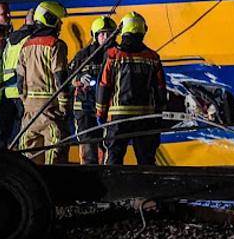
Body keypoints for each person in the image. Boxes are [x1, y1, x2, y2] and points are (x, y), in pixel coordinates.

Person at [98, 11, 167, 166]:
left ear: (123, 31)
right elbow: (160, 87)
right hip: (145, 117)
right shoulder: (152, 57)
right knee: (146, 160)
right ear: (143, 31)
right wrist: (159, 113)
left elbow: (104, 85)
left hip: (118, 117)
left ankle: (112, 188)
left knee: (113, 159)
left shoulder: (113, 55)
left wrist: (100, 113)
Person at [17, 1, 70, 164]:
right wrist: (64, 106)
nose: (60, 24)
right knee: (55, 159)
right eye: (58, 20)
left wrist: (26, 104)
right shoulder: (56, 45)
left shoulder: (26, 45)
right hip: (51, 111)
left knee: (29, 162)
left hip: (29, 116)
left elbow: (20, 81)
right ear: (50, 19)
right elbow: (60, 77)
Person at [69, 16, 117, 164]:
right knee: (88, 148)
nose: (106, 37)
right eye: (102, 34)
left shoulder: (117, 54)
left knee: (106, 145)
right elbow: (68, 78)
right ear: (95, 35)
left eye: (109, 33)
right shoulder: (83, 56)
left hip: (107, 108)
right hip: (85, 107)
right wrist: (79, 79)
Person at [0, 9, 36, 145]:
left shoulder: (12, 39)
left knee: (8, 132)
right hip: (21, 91)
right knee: (22, 131)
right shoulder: (29, 39)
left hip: (8, 91)